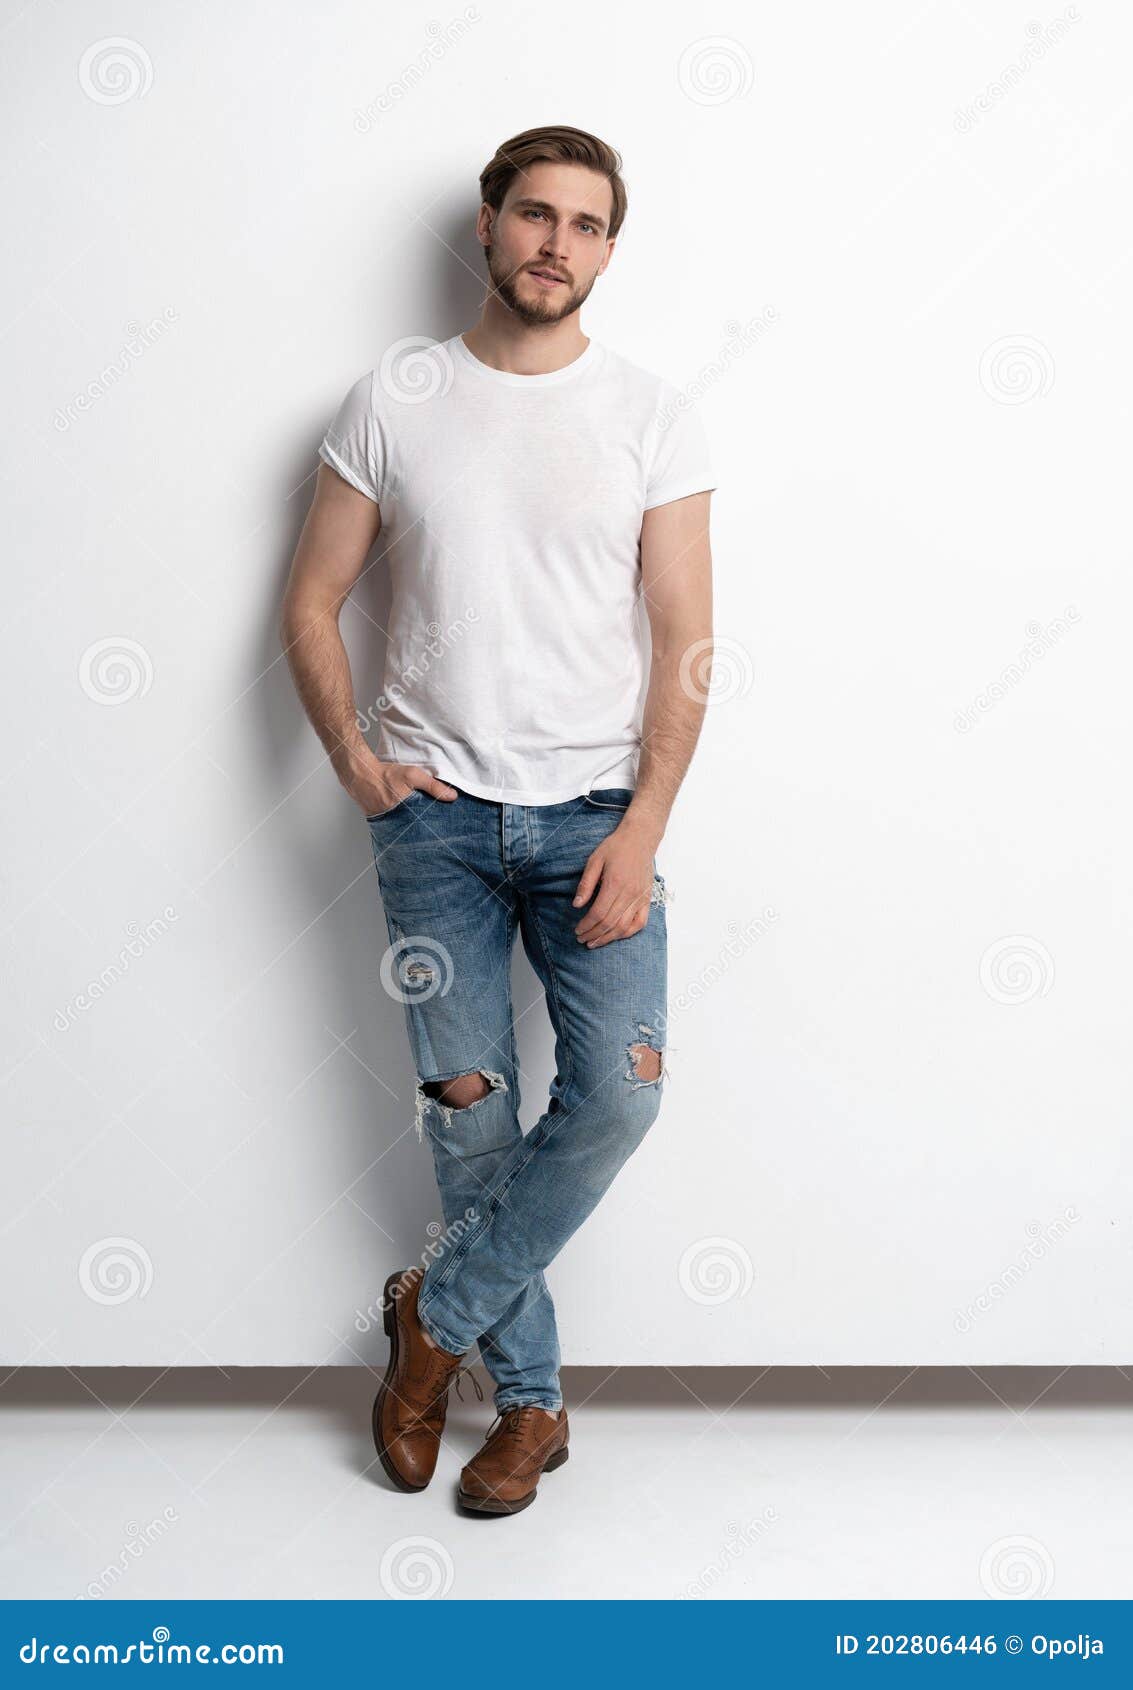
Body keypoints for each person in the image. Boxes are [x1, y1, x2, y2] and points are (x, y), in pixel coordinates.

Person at [280, 124, 715, 1515]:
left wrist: (643, 825)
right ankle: (528, 1410)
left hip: (596, 816)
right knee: (471, 1122)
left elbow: (685, 638)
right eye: (535, 215)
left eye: (586, 225)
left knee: (618, 1096)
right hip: (436, 826)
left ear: (606, 248)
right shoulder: (394, 398)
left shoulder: (652, 413)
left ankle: (430, 1324)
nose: (556, 245)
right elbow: (308, 603)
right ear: (486, 226)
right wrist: (354, 762)